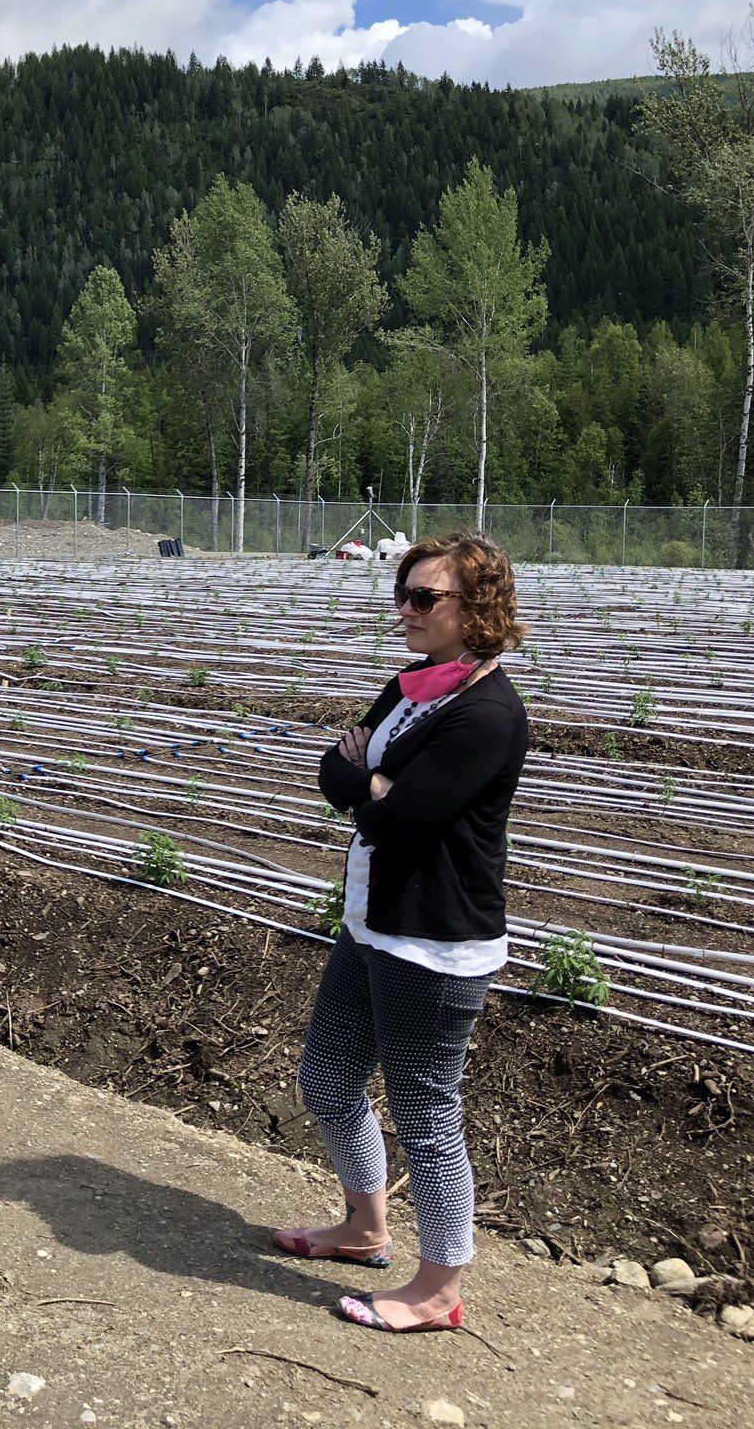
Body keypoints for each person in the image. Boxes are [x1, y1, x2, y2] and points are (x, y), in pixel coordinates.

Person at [273, 529, 530, 1334]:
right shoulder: (415, 685)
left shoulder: (487, 715)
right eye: (403, 593)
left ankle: (441, 1287)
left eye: (425, 597)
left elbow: (405, 822)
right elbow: (336, 772)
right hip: (372, 920)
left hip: (435, 942)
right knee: (326, 1079)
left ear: (475, 608)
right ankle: (364, 1227)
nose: (406, 609)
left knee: (425, 1111)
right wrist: (369, 782)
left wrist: (373, 785)